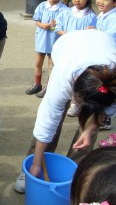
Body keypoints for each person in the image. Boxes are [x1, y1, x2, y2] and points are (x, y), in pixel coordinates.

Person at [14, 29, 116, 194]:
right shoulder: (64, 74)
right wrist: (36, 165)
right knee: (54, 119)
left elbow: (108, 107)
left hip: (103, 48)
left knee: (88, 134)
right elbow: (47, 119)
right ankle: (34, 164)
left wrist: (89, 130)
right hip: (69, 46)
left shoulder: (113, 83)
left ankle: (74, 177)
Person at [55, 0, 97, 117]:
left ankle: (75, 103)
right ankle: (64, 97)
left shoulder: (91, 17)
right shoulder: (66, 12)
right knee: (65, 74)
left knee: (77, 77)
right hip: (67, 49)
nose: (77, 0)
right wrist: (68, 35)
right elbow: (58, 28)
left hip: (81, 53)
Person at [26, 0, 67, 98]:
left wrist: (56, 26)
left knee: (51, 65)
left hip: (54, 42)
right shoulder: (42, 6)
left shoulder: (64, 9)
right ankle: (37, 84)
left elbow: (63, 25)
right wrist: (43, 25)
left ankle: (48, 87)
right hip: (41, 40)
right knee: (38, 63)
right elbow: (37, 21)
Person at [90, 0, 116, 131]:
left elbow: (109, 36)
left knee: (108, 87)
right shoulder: (104, 14)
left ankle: (106, 118)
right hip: (104, 55)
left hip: (110, 57)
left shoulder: (113, 18)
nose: (100, 1)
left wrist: (95, 32)